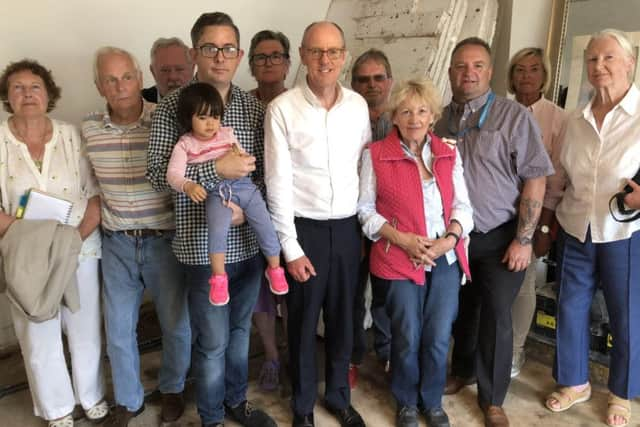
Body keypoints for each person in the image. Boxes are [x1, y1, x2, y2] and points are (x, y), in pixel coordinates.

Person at [147, 12, 277, 427]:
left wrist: (245, 208)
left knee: (241, 336)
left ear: (239, 55)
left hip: (248, 246)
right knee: (213, 342)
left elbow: (260, 172)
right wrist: (214, 172)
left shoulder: (252, 108)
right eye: (209, 48)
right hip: (202, 249)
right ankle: (210, 416)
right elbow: (157, 174)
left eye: (227, 49)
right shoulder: (172, 108)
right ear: (194, 52)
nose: (219, 57)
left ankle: (237, 402)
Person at [433, 37, 553, 427]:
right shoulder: (442, 119)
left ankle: (493, 398)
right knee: (462, 311)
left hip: (502, 235)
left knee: (497, 315)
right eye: (461, 66)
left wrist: (524, 239)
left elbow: (536, 178)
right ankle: (463, 369)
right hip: (457, 236)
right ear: (451, 71)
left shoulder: (514, 117)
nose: (469, 73)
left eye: (478, 66)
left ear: (489, 72)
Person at [265, 21, 370, 427]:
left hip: (347, 229)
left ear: (343, 56)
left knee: (344, 320)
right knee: (304, 323)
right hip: (303, 229)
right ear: (304, 56)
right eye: (316, 51)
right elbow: (277, 183)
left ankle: (339, 398)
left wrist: (362, 228)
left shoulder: (357, 106)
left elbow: (364, 171)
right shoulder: (282, 109)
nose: (324, 60)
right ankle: (303, 405)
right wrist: (290, 248)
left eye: (332, 52)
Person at [84, 46, 191, 426]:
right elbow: (87, 187)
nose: (120, 86)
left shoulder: (165, 121)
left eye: (126, 76)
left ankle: (173, 389)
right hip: (117, 244)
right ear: (99, 85)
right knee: (117, 329)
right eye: (110, 79)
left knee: (176, 324)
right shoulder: (89, 130)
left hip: (164, 239)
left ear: (140, 79)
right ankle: (129, 401)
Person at [358, 78, 473, 427]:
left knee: (438, 336)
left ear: (433, 116)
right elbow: (364, 210)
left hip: (444, 257)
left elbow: (464, 207)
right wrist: (404, 239)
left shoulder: (448, 154)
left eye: (422, 110)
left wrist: (448, 241)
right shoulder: (376, 154)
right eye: (406, 111)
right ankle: (406, 401)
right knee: (406, 336)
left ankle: (432, 400)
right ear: (394, 116)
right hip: (398, 256)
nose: (414, 118)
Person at [0, 59, 107, 427]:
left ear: (49, 94)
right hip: (25, 254)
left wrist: (70, 241)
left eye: (35, 87)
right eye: (18, 88)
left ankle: (91, 396)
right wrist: (33, 238)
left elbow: (95, 195)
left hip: (80, 246)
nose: (27, 94)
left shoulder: (72, 135)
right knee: (37, 330)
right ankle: (57, 408)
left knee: (84, 325)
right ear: (7, 97)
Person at [543, 28, 640, 427]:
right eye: (592, 59)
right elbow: (560, 176)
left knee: (627, 315)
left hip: (624, 233)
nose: (599, 66)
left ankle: (621, 392)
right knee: (570, 307)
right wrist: (546, 226)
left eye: (609, 58)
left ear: (630, 64)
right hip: (575, 226)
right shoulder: (575, 120)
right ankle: (574, 383)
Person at [166, 82, 288, 306]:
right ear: (188, 118)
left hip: (245, 187)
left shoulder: (227, 133)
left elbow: (243, 157)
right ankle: (218, 277)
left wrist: (245, 160)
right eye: (202, 117)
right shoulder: (185, 145)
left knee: (265, 224)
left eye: (215, 116)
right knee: (217, 230)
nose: (211, 123)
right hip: (216, 192)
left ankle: (275, 267)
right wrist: (188, 186)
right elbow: (172, 174)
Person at [506, 47, 568, 377]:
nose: (526, 76)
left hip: (535, 215)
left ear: (544, 75)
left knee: (524, 283)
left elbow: (556, 177)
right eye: (519, 69)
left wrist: (544, 228)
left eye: (533, 69)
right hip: (497, 213)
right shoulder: (499, 110)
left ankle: (515, 349)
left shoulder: (558, 118)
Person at [247, 28, 292, 391]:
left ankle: (294, 354)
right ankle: (271, 357)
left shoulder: (299, 105)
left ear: (288, 63)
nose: (269, 62)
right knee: (261, 293)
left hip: (293, 213)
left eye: (276, 55)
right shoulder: (242, 107)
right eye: (261, 57)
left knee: (292, 289)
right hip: (249, 214)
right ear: (250, 65)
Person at [349, 48, 394, 387]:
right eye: (363, 79)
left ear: (389, 82)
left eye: (379, 78)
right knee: (351, 294)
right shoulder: (344, 118)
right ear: (353, 84)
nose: (372, 85)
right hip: (351, 219)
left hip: (391, 222)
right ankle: (352, 356)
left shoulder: (402, 118)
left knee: (387, 293)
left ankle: (388, 354)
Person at [142, 37, 194, 103]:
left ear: (192, 68)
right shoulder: (139, 102)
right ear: (153, 72)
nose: (173, 77)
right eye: (165, 70)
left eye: (179, 69)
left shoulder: (208, 99)